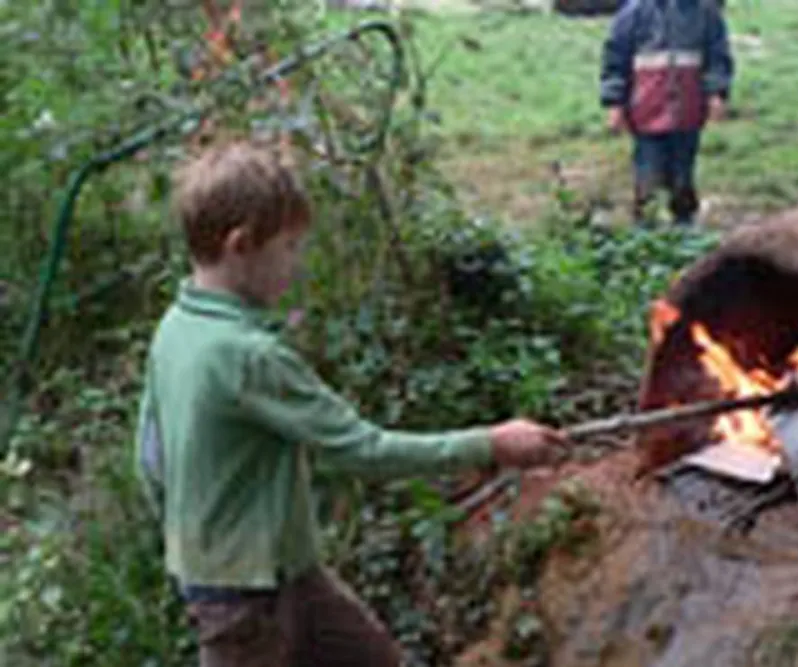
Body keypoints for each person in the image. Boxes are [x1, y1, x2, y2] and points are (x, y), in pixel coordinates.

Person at [133, 140, 570, 667]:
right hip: (243, 602)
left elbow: (149, 459)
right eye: (290, 247)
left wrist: (191, 547)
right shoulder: (248, 356)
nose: (298, 266)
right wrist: (492, 443)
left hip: (283, 576)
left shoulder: (175, 329)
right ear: (241, 244)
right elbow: (363, 449)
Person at [600, 0, 734, 227]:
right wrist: (615, 103)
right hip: (646, 110)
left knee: (683, 173)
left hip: (688, 111)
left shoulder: (704, 12)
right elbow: (615, 60)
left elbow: (717, 56)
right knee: (648, 173)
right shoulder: (634, 12)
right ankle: (645, 227)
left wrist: (716, 94)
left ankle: (684, 225)